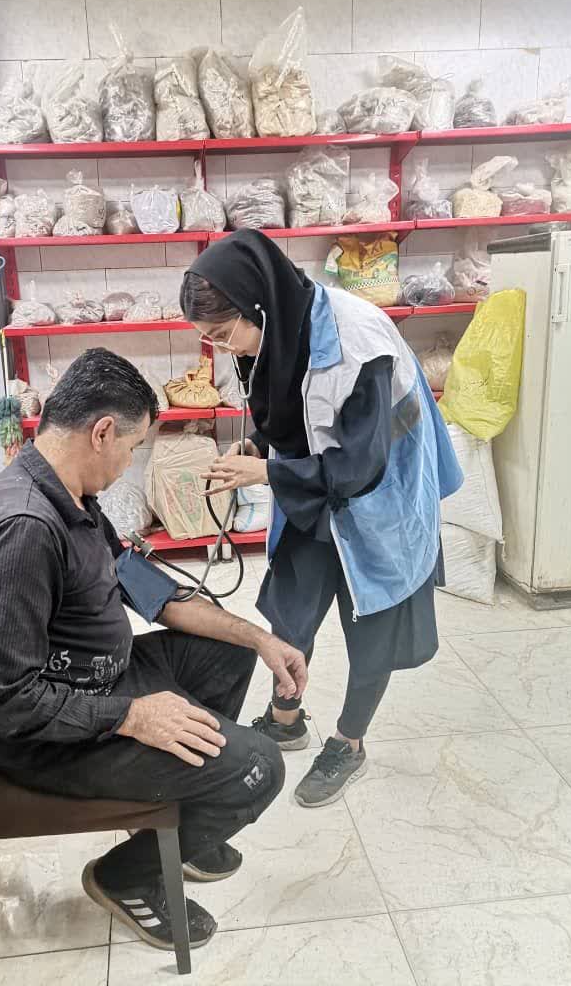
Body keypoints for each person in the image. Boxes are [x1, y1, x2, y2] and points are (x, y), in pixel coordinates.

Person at [0, 348, 307, 951]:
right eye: (132, 448)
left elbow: (151, 594)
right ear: (102, 431)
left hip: (98, 680)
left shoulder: (70, 496)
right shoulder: (24, 531)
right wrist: (133, 716)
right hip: (51, 736)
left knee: (228, 650)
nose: (128, 463)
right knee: (258, 767)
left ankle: (178, 806)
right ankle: (127, 875)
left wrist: (260, 637)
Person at [180, 229, 463, 809]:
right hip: (315, 487)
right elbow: (291, 407)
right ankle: (286, 719)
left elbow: (359, 466)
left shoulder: (359, 342)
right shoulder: (281, 326)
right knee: (292, 608)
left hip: (381, 492)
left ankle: (348, 743)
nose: (224, 348)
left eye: (224, 334)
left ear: (258, 305)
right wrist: (259, 447)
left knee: (372, 623)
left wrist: (267, 474)